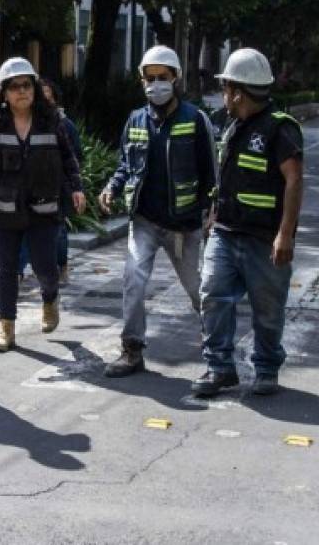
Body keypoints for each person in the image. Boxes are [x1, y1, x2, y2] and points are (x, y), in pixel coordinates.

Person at [98, 45, 216, 377]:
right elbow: (125, 165)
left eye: (162, 77)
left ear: (175, 78)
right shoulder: (135, 120)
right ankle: (132, 350)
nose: (155, 84)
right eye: (149, 78)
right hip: (145, 222)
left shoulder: (195, 120)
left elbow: (212, 173)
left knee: (199, 290)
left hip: (184, 226)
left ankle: (218, 349)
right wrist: (111, 188)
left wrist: (212, 211)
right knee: (133, 280)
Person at [192, 48, 303, 397]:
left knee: (267, 310)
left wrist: (285, 235)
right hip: (225, 232)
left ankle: (267, 368)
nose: (224, 94)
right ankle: (220, 368)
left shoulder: (280, 129)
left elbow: (294, 181)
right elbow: (227, 176)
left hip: (264, 238)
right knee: (212, 294)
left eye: (226, 87)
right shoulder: (233, 124)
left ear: (239, 91)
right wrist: (213, 216)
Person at [0, 58, 86, 352]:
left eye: (26, 85)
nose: (21, 91)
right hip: (4, 209)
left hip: (44, 209)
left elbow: (69, 159)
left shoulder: (52, 122)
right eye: (15, 86)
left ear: (34, 89)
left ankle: (50, 298)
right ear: (5, 92)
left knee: (45, 266)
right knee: (5, 270)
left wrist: (77, 189)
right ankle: (6, 330)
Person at [17, 77, 83, 284]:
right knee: (24, 229)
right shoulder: (27, 124)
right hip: (30, 189)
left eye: (48, 97)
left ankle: (60, 265)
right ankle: (18, 271)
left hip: (58, 189)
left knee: (59, 232)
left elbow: (75, 157)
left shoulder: (65, 125)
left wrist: (74, 186)